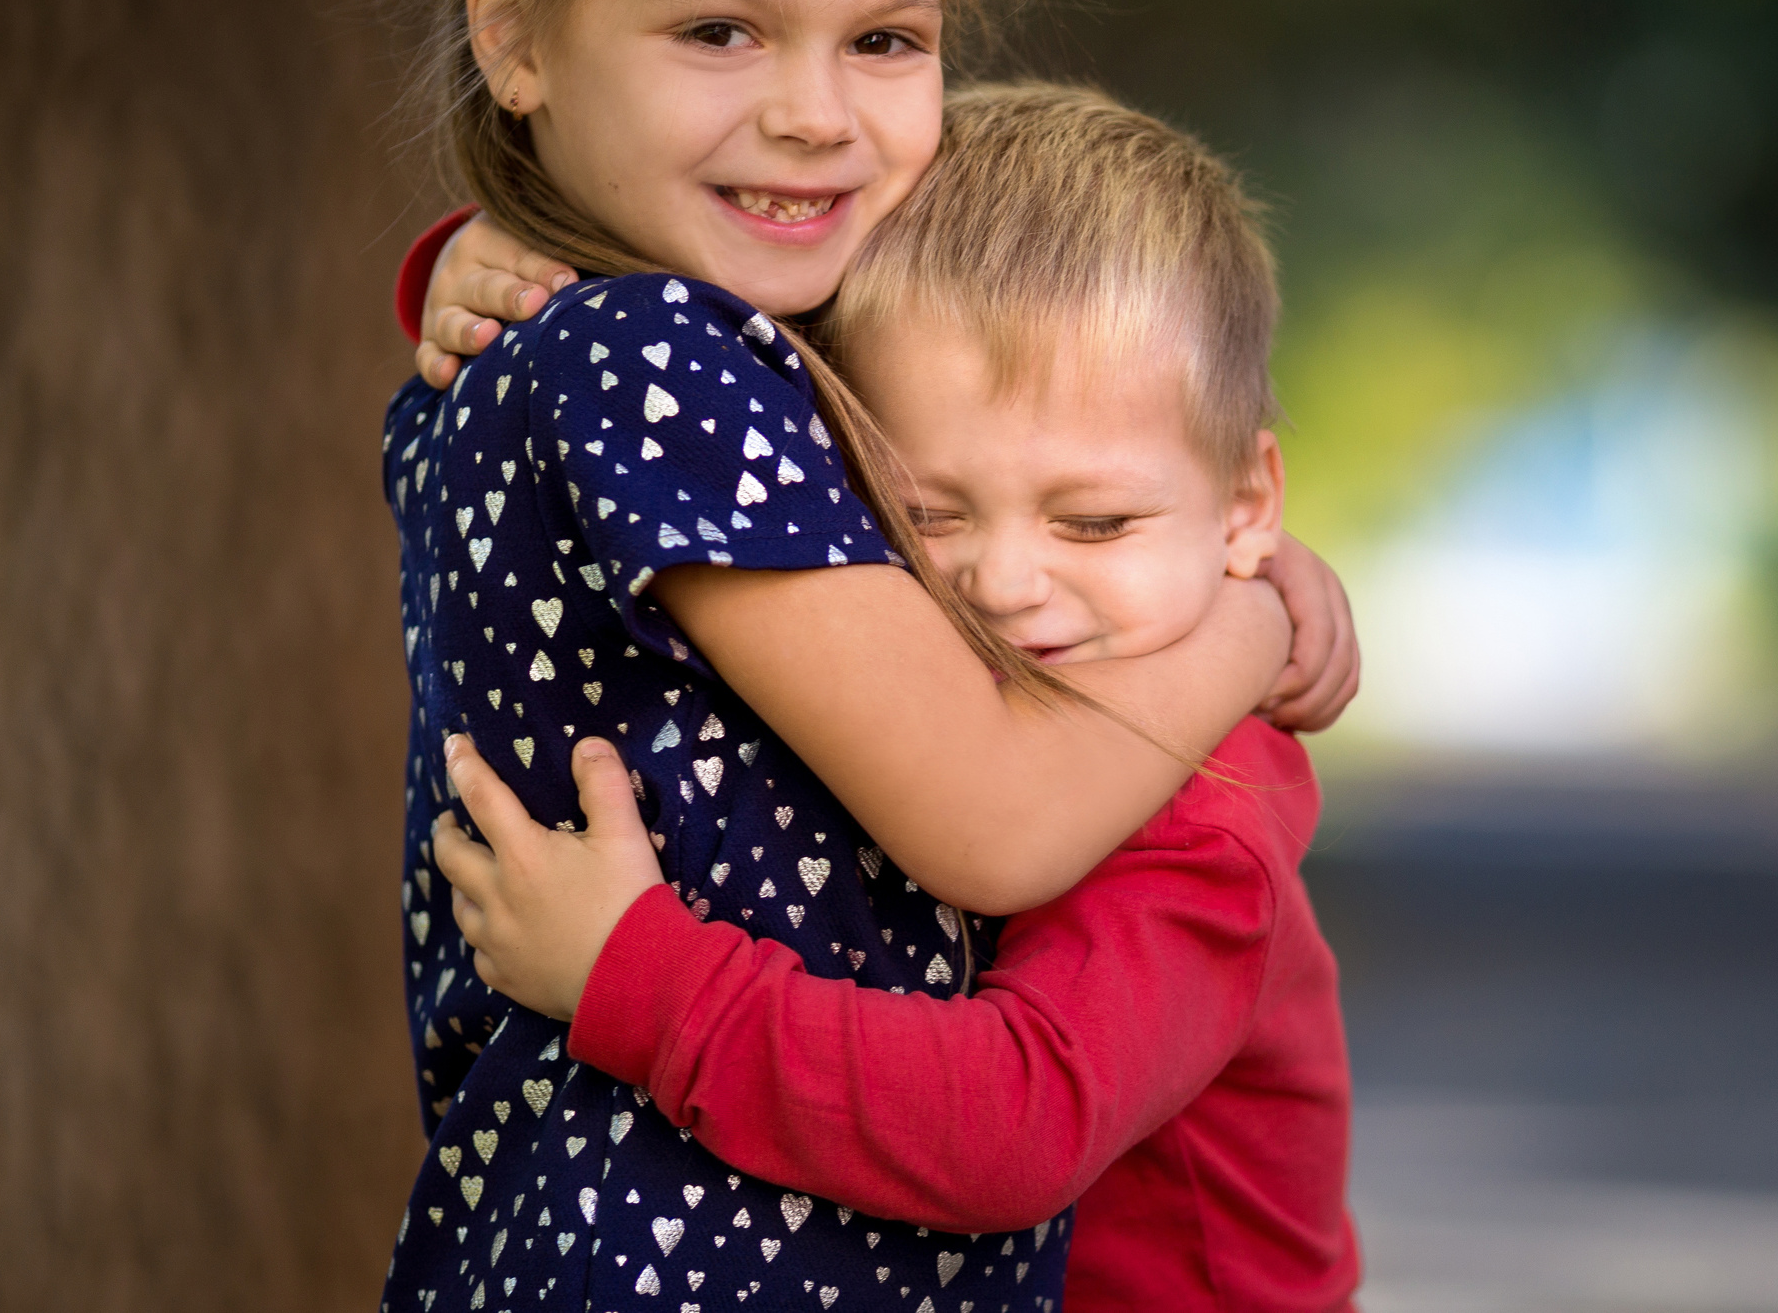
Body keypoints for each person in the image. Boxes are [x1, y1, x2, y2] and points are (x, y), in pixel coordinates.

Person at [376, 0, 1355, 1312]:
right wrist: (1257, 622)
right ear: (514, 30)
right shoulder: (657, 354)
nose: (814, 114)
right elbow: (991, 814)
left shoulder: (616, 354)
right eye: (719, 27)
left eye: (887, 39)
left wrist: (475, 250)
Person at [427, 83, 1362, 1311]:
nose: (1007, 583)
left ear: (1246, 507)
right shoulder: (937, 695)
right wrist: (477, 265)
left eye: (1096, 521)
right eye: (926, 516)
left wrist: (636, 978)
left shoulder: (1201, 825)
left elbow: (1012, 1125)